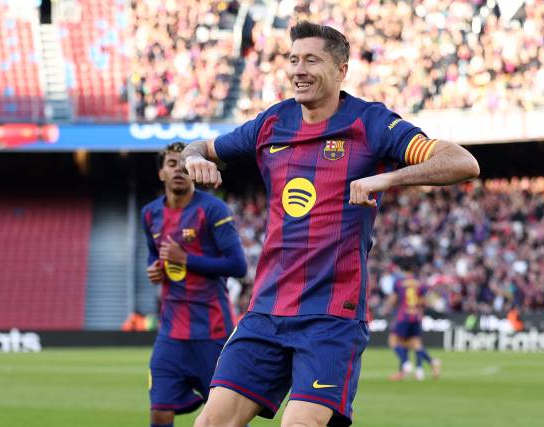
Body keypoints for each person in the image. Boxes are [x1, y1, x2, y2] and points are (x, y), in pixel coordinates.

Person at [182, 21, 479, 427]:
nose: (298, 70)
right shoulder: (272, 123)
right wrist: (195, 158)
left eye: (311, 60)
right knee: (210, 422)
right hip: (266, 309)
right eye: (293, 60)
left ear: (341, 70)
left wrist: (385, 178)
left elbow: (462, 161)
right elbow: (202, 147)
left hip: (331, 318)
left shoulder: (371, 123)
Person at [141, 142, 248, 427]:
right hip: (171, 333)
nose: (178, 170)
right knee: (160, 409)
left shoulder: (213, 210)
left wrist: (185, 259)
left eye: (183, 165)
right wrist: (155, 268)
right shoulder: (150, 214)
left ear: (192, 171)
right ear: (162, 173)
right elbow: (155, 253)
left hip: (212, 331)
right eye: (171, 164)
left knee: (227, 417)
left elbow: (239, 266)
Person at [385, 259, 440, 381]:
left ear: (401, 269)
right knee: (414, 343)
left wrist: (389, 306)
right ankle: (428, 365)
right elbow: (429, 299)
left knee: (393, 340)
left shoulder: (399, 282)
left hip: (404, 315)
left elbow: (393, 300)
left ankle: (406, 364)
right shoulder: (419, 283)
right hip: (416, 316)